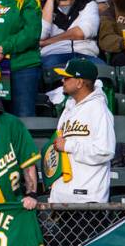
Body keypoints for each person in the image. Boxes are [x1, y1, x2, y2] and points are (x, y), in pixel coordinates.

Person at [47, 59, 115, 203]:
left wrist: (68, 146)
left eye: (67, 78)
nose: (62, 81)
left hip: (87, 200)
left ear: (79, 82)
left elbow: (105, 151)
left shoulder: (99, 110)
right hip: (63, 198)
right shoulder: (68, 109)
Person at [40, 0, 104, 70]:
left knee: (103, 70)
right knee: (47, 67)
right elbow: (41, 34)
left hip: (84, 53)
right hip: (54, 54)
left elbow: (81, 33)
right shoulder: (43, 6)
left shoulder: (88, 4)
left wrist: (46, 42)